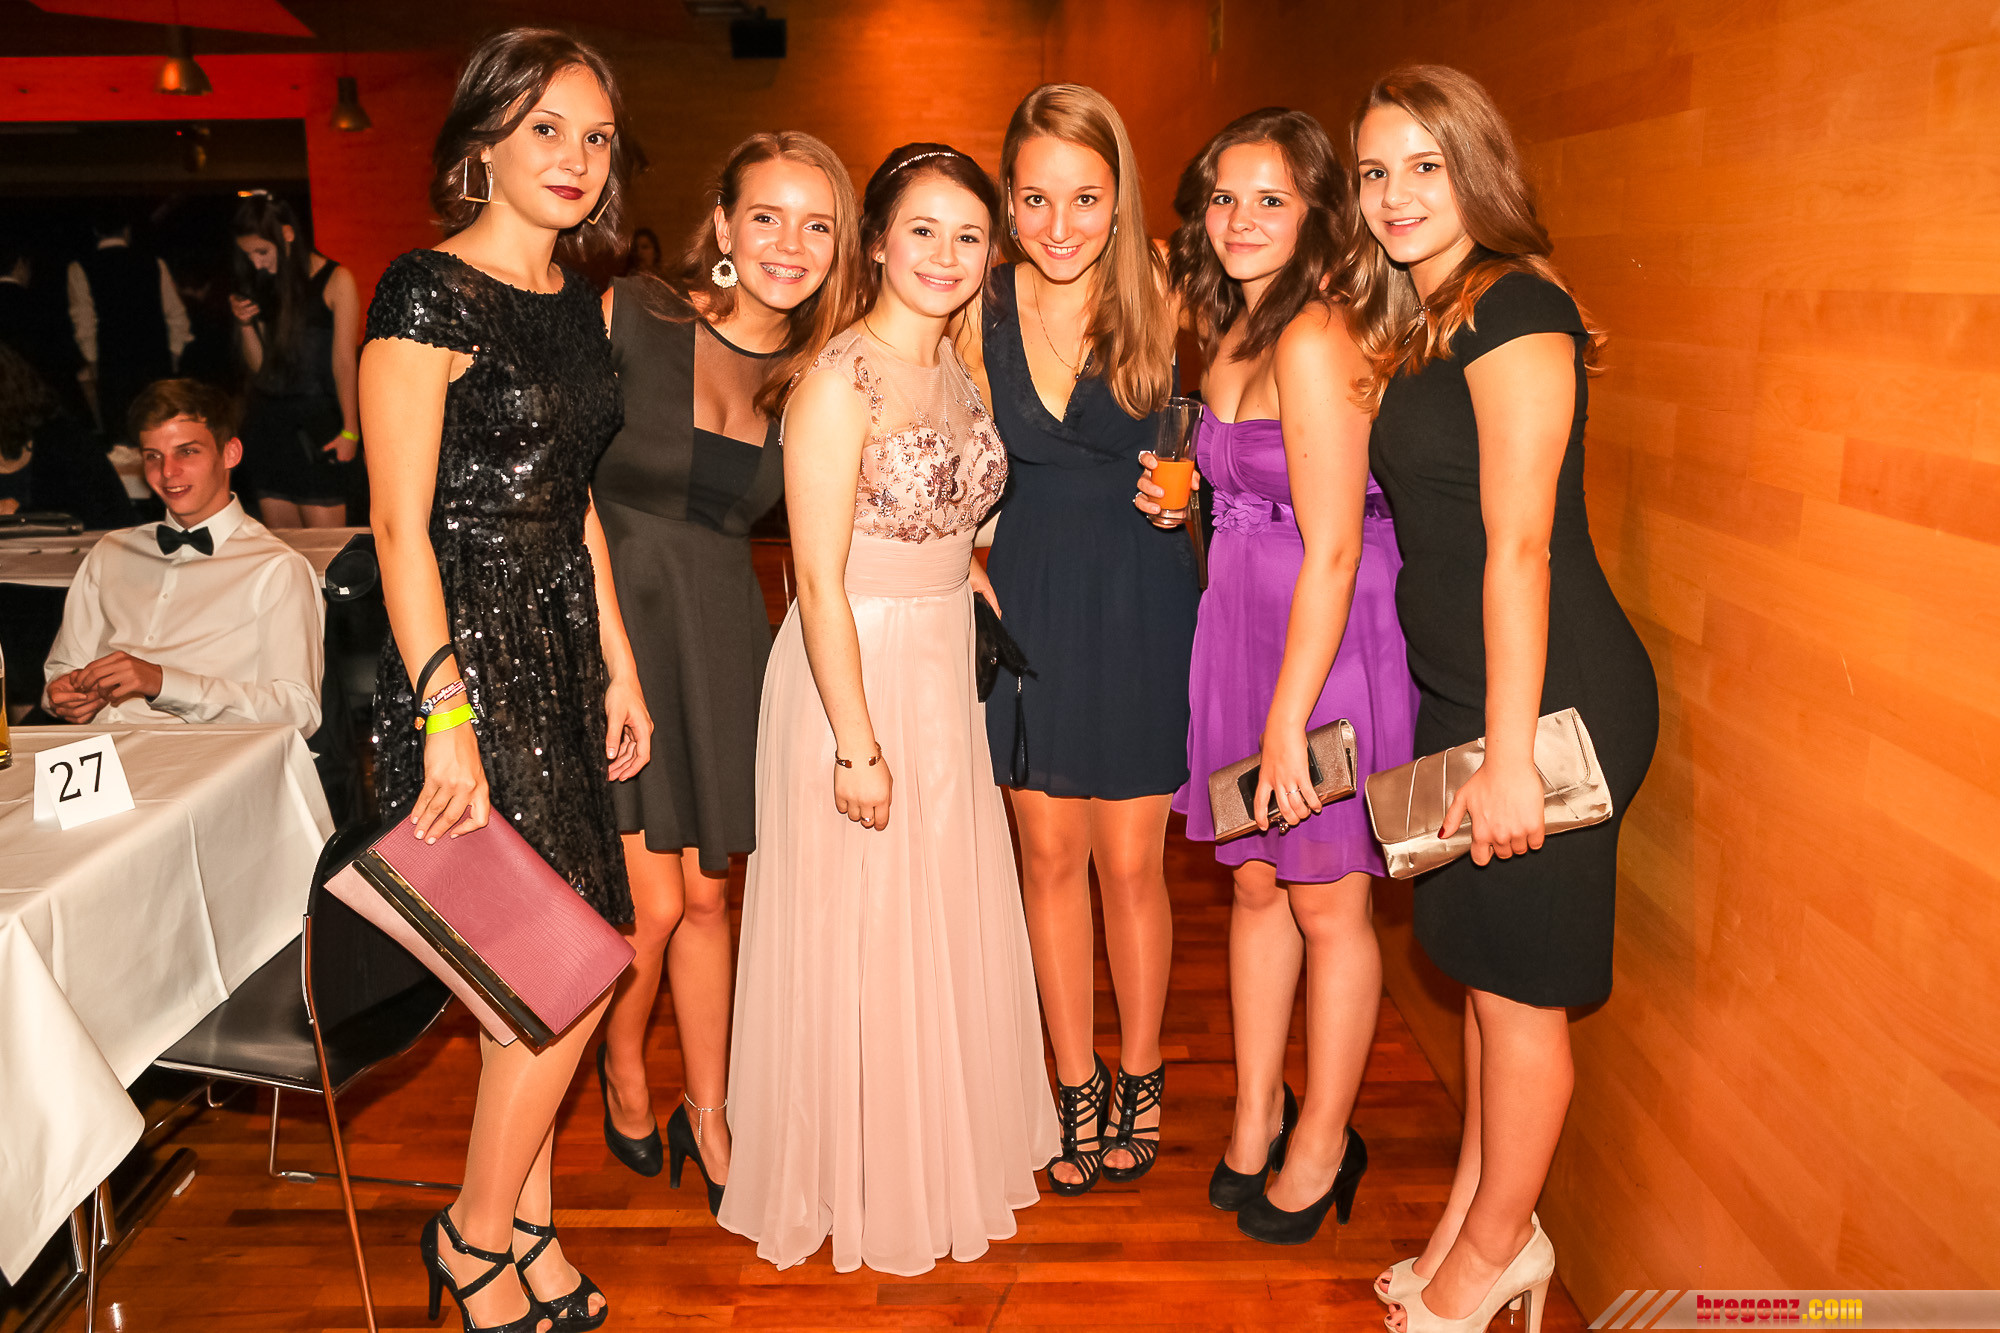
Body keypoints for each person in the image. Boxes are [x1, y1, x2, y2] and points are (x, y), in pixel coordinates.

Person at [1352, 67, 1658, 1333]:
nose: (1393, 195)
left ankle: (1490, 1263)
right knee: (1481, 979)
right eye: (1374, 172)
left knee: (1520, 997)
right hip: (1473, 701)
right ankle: (1469, 1229)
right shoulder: (1433, 317)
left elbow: (1519, 547)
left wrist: (1515, 755)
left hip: (1547, 709)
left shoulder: (1515, 307)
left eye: (1423, 165)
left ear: (1476, 168)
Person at [719, 142, 1059, 1276]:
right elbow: (816, 578)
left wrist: (963, 567)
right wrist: (855, 746)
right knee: (858, 920)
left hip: (939, 665)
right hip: (850, 673)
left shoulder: (960, 367)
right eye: (922, 230)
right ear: (875, 242)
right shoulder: (835, 382)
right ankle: (854, 1173)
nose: (945, 256)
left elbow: (951, 506)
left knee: (933, 912)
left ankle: (930, 1152)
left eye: (968, 237)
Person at [361, 29, 649, 1333]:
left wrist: (620, 667)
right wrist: (446, 712)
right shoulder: (424, 293)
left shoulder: (577, 302)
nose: (575, 158)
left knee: (535, 975)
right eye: (546, 129)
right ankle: (473, 1236)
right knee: (573, 964)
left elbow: (576, 500)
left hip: (561, 649)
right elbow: (397, 525)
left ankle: (529, 1229)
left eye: (595, 137)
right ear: (482, 139)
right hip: (466, 656)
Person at [1147, 106, 1418, 1246]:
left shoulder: (1315, 335)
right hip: (1239, 632)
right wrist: (1180, 499)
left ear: (1316, 213)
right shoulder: (1229, 330)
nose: (1241, 219)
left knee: (1325, 899)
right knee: (1255, 884)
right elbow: (1239, 496)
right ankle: (1257, 1113)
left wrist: (1284, 718)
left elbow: (1337, 545)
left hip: (1325, 646)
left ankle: (1324, 1142)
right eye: (1224, 197)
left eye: (1271, 198)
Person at [591, 131, 863, 1208]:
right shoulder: (630, 314)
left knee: (708, 899)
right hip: (612, 628)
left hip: (719, 638)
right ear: (722, 224)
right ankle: (623, 1065)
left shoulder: (819, 376)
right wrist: (593, 650)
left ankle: (708, 1110)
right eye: (766, 217)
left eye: (816, 224)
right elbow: (550, 480)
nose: (789, 244)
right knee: (648, 911)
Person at [952, 84, 1191, 1194]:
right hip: (1027, 597)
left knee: (1130, 863)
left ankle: (1141, 1071)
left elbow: (1240, 423)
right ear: (1008, 199)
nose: (1059, 224)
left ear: (1119, 196)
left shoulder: (1166, 288)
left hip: (1143, 593)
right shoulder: (977, 301)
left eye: (1085, 198)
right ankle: (1074, 1077)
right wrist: (960, 556)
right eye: (1037, 198)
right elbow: (932, 437)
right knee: (1045, 858)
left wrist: (1195, 499)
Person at [39, 377, 321, 734]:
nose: (167, 472)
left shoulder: (276, 567)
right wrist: (61, 692)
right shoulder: (110, 551)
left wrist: (162, 683)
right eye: (153, 456)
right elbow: (63, 667)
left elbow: (299, 712)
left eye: (187, 452)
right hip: (99, 754)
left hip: (205, 757)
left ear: (230, 453)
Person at [229, 192, 363, 528]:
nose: (256, 263)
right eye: (248, 255)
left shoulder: (336, 279)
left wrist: (351, 431)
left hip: (318, 425)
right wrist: (245, 325)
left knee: (326, 547)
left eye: (262, 251)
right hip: (269, 426)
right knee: (282, 547)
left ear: (287, 234)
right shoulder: (264, 285)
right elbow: (260, 368)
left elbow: (345, 362)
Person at [68, 211, 192, 443]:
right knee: (161, 437)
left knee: (122, 440)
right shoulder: (154, 263)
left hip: (114, 368)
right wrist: (173, 358)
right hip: (155, 365)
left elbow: (84, 324)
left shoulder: (81, 267)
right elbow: (177, 316)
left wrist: (94, 367)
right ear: (127, 230)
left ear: (96, 232)